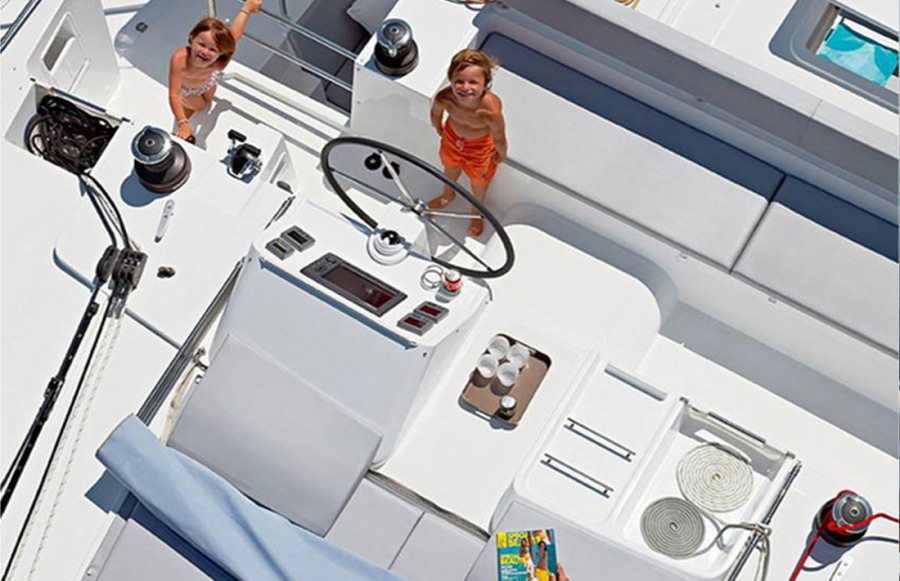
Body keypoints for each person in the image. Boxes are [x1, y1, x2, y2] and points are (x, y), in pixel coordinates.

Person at [428, 48, 508, 237]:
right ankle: (447, 195)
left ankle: (476, 213)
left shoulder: (490, 111)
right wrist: (439, 128)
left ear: (485, 83)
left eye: (473, 82)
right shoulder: (445, 98)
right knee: (450, 168)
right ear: (451, 80)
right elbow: (435, 113)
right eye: (459, 81)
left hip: (479, 148)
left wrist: (501, 154)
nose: (465, 87)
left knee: (478, 183)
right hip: (452, 139)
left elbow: (499, 136)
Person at [168, 0, 262, 141]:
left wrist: (247, 9)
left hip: (208, 82)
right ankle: (184, 113)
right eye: (201, 44)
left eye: (213, 49)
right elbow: (174, 94)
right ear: (192, 38)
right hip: (188, 90)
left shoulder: (220, 60)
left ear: (221, 52)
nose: (205, 52)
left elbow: (235, 35)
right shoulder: (180, 59)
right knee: (201, 107)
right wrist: (182, 122)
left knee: (209, 100)